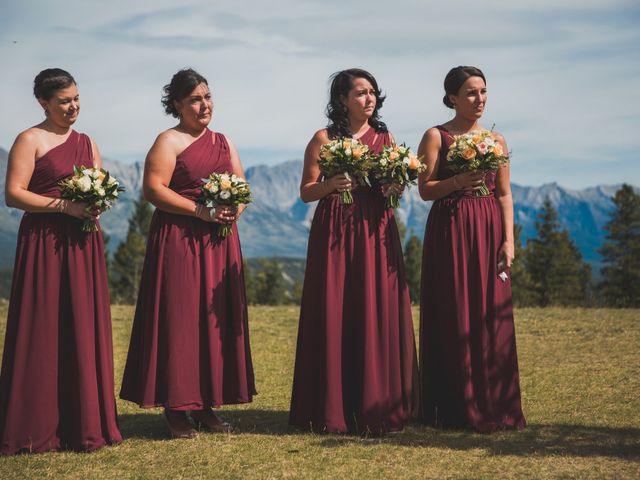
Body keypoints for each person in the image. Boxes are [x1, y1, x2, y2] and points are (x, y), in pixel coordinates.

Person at [120, 68, 255, 439]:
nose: (204, 104)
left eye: (208, 97)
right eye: (195, 99)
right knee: (180, 319)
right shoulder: (168, 141)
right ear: (177, 104)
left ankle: (206, 403)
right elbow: (153, 189)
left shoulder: (225, 142)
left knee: (213, 322)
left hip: (219, 240)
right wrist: (200, 211)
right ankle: (175, 407)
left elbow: (241, 184)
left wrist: (233, 210)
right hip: (179, 238)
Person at [289, 68, 419, 435]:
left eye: (373, 92)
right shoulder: (323, 138)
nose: (369, 98)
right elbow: (306, 191)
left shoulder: (385, 137)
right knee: (335, 304)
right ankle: (331, 404)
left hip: (375, 228)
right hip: (334, 229)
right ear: (342, 99)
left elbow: (395, 192)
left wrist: (396, 186)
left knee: (374, 303)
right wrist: (330, 184)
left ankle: (378, 400)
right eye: (360, 92)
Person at [0, 68, 123, 454]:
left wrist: (95, 206)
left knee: (82, 325)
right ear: (43, 102)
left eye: (76, 98)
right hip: (44, 243)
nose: (73, 107)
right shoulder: (29, 139)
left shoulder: (87, 142)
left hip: (83, 243)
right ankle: (35, 424)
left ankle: (84, 422)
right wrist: (65, 206)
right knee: (43, 325)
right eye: (64, 101)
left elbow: (99, 185)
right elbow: (14, 195)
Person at [417, 66, 526, 432]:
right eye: (470, 93)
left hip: (489, 227)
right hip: (450, 227)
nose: (479, 99)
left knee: (491, 312)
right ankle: (452, 404)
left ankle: (498, 404)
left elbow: (505, 193)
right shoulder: (436, 136)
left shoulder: (498, 140)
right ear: (451, 98)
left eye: (483, 91)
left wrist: (508, 240)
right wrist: (457, 181)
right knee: (455, 306)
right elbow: (425, 189)